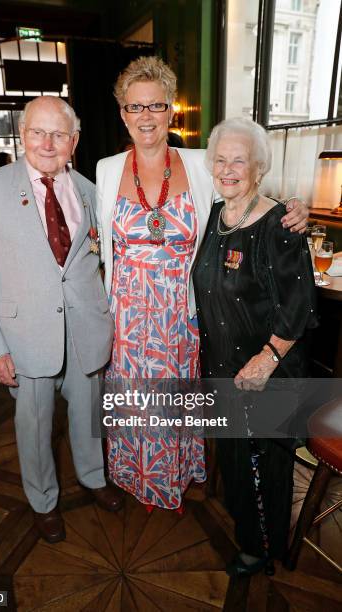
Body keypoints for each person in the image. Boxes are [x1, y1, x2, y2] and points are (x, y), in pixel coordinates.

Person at [96, 56, 308, 511]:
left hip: (182, 312)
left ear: (171, 110)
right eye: (135, 107)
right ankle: (138, 476)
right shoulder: (107, 169)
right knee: (134, 401)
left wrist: (294, 206)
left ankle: (173, 473)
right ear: (122, 113)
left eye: (156, 105)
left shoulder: (198, 165)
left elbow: (246, 191)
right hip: (128, 317)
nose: (146, 116)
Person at [0, 96, 123, 545]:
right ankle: (43, 501)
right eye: (38, 132)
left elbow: (104, 263)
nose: (48, 143)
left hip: (87, 329)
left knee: (90, 415)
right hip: (24, 336)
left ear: (74, 141)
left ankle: (93, 477)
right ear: (22, 134)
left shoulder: (93, 192)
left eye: (59, 134)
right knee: (33, 427)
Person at [193, 117, 317, 576]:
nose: (228, 169)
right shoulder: (214, 217)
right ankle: (249, 530)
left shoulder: (281, 223)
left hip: (267, 373)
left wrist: (267, 360)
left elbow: (299, 305)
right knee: (235, 457)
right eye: (220, 159)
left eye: (239, 160)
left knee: (266, 465)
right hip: (223, 365)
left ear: (258, 167)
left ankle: (264, 549)